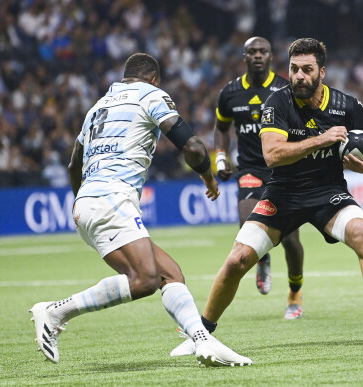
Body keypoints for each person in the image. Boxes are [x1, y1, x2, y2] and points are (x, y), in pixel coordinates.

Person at [173, 38, 363, 355]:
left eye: (307, 70)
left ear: (321, 72)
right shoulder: (276, 104)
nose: (299, 77)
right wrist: (322, 139)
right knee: (237, 260)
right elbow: (272, 154)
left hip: (328, 193)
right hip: (283, 194)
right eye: (294, 69)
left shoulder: (344, 104)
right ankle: (200, 335)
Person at [29, 53, 252, 367]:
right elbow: (193, 147)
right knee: (145, 279)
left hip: (87, 203)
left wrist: (83, 201)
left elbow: (73, 164)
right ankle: (55, 311)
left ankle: (202, 341)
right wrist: (207, 177)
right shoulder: (151, 95)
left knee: (170, 275)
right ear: (154, 79)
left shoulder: (97, 106)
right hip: (112, 197)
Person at [213, 37, 304, 317]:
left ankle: (294, 294)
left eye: (262, 51)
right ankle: (262, 258)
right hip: (250, 169)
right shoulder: (230, 93)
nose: (257, 56)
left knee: (289, 239)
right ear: (244, 57)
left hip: (284, 169)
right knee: (247, 225)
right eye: (252, 51)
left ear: (270, 56)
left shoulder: (285, 89)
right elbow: (221, 128)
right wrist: (220, 158)